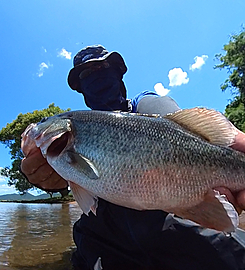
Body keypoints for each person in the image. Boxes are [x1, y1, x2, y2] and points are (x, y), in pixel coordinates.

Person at [20, 45, 245, 270]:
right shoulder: (69, 142)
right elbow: (84, 189)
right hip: (110, 230)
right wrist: (55, 179)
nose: (97, 76)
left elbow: (167, 117)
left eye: (103, 67)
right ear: (81, 90)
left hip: (171, 217)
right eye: (87, 74)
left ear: (119, 73)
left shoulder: (145, 104)